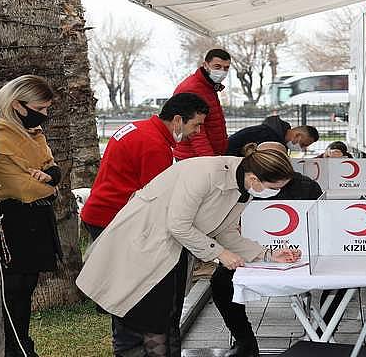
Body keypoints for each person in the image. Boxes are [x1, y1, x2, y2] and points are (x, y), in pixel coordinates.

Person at [76, 150, 302, 357]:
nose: (276, 192)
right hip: (140, 249)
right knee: (138, 319)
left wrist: (267, 254)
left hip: (171, 254)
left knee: (168, 319)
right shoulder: (204, 173)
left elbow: (226, 232)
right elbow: (179, 224)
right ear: (254, 178)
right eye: (275, 187)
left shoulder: (243, 189)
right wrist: (220, 254)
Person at [80, 92, 208, 356]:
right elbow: (159, 204)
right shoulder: (154, 146)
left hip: (104, 215)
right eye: (196, 125)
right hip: (117, 223)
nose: (198, 132)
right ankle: (130, 347)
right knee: (133, 293)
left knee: (123, 290)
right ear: (177, 120)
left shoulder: (139, 128)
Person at [212, 141, 323, 357]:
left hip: (296, 255)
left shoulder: (307, 186)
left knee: (337, 281)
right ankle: (244, 339)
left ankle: (321, 335)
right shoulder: (241, 186)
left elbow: (320, 223)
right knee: (220, 283)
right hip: (250, 251)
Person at [0, 75, 62, 357]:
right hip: (13, 223)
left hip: (37, 223)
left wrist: (51, 177)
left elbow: (51, 166)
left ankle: (21, 344)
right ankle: (16, 348)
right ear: (18, 105)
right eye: (40, 109)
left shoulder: (32, 133)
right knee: (13, 291)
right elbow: (22, 188)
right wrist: (50, 183)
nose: (43, 116)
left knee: (26, 288)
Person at [173, 49, 232, 160]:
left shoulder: (209, 86)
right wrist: (210, 159)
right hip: (194, 157)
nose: (222, 71)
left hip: (207, 155)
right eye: (217, 67)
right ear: (205, 65)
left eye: (226, 68)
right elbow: (195, 131)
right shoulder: (192, 88)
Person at [226, 113, 319, 157]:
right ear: (297, 136)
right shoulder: (268, 136)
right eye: (303, 144)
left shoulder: (275, 135)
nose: (301, 148)